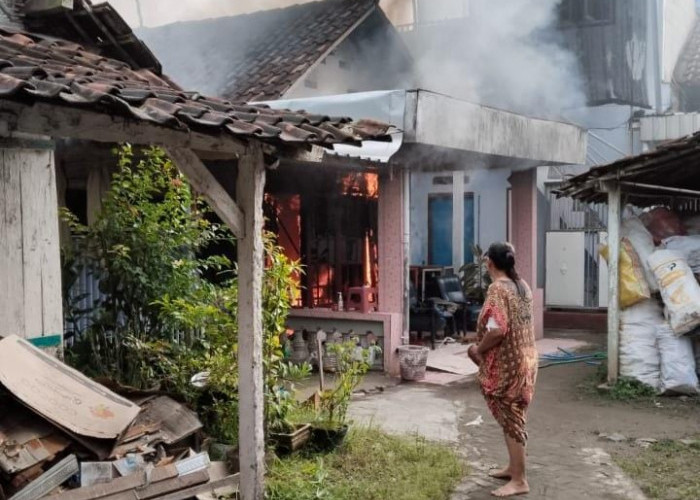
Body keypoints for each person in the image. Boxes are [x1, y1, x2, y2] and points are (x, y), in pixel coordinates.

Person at [467, 242, 538, 497]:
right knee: (515, 415)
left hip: (509, 365)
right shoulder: (523, 286)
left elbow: (497, 330)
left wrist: (479, 349)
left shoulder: (498, 289)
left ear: (489, 262)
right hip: (527, 359)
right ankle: (513, 467)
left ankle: (519, 480)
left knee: (511, 419)